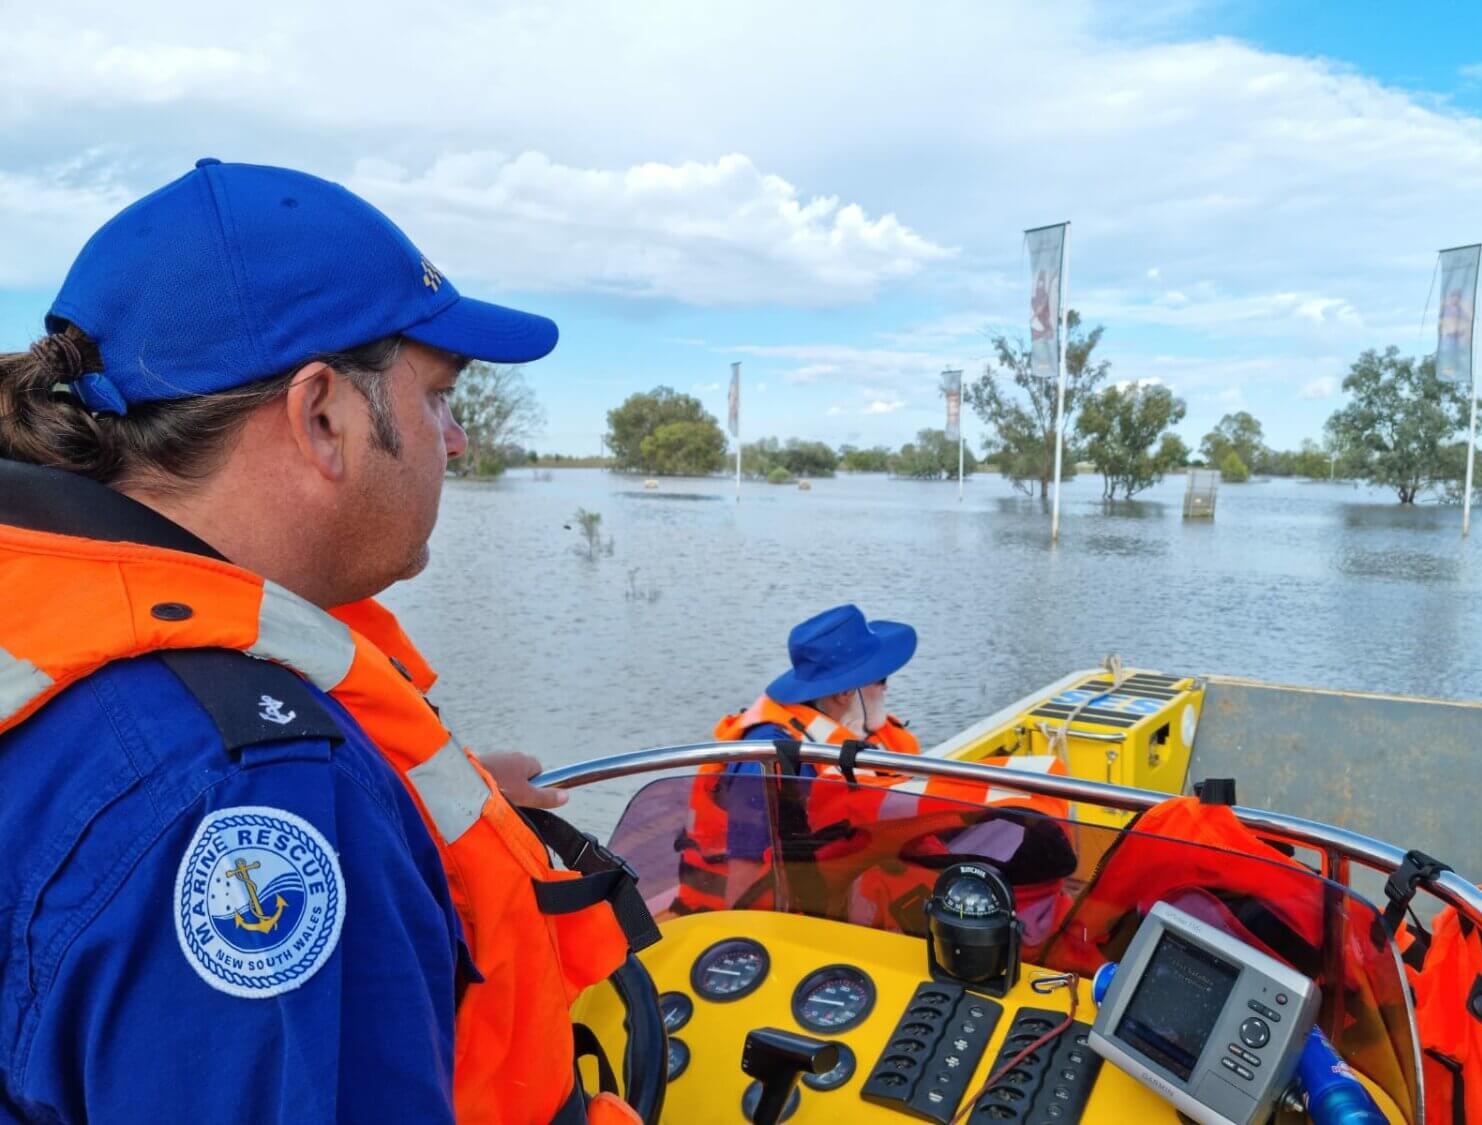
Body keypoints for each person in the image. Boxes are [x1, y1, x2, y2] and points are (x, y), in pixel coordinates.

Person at [0, 160, 643, 1123]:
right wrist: (340, 816)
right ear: (323, 417)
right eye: (435, 397)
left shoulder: (59, 632)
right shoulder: (254, 787)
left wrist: (405, 819)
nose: (457, 440)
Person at [677, 604, 1075, 928]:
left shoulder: (841, 730)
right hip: (758, 921)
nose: (887, 686)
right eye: (879, 677)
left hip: (833, 888)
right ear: (844, 693)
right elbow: (744, 890)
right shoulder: (764, 764)